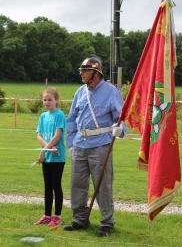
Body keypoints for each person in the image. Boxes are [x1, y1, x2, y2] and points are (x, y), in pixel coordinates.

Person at [63, 56, 125, 237]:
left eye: (85, 70)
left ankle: (107, 223)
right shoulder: (80, 92)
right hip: (80, 145)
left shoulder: (111, 91)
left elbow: (120, 116)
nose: (81, 73)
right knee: (77, 184)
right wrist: (71, 144)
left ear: (96, 72)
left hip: (101, 145)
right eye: (81, 70)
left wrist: (120, 129)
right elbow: (72, 119)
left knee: (102, 185)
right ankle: (80, 219)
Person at [34, 87, 66, 227]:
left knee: (55, 185)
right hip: (48, 156)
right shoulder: (42, 116)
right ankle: (47, 215)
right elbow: (38, 135)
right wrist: (47, 148)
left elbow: (58, 135)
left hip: (58, 157)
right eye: (45, 99)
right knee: (47, 186)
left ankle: (57, 216)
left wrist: (47, 148)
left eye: (50, 99)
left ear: (56, 100)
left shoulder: (60, 115)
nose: (47, 102)